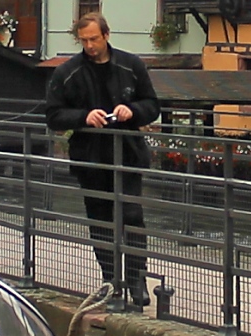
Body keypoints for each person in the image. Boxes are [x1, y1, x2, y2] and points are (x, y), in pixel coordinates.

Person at [46, 12, 159, 306]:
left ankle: (137, 281)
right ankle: (112, 282)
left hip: (128, 153)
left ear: (106, 35)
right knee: (100, 220)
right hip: (90, 156)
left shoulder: (131, 65)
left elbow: (152, 105)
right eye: (84, 40)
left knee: (131, 216)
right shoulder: (68, 72)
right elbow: (53, 115)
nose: (89, 45)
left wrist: (131, 111)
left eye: (94, 39)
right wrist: (84, 116)